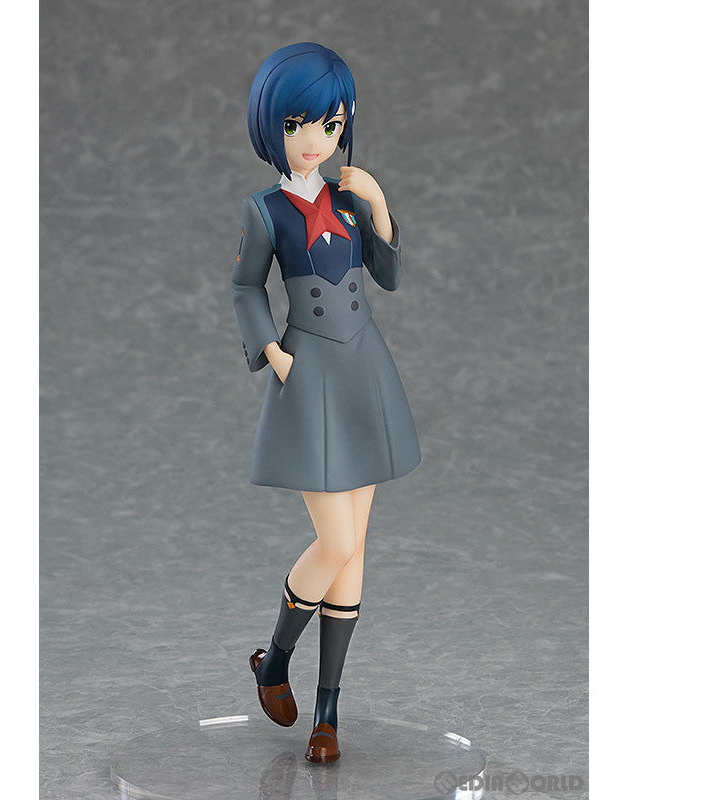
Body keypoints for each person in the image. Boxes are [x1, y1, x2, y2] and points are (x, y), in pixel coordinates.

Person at [232, 42, 421, 763]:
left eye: (330, 124)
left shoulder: (346, 198)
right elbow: (245, 286)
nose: (314, 140)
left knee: (355, 552)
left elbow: (388, 276)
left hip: (363, 369)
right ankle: (275, 661)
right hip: (309, 372)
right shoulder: (264, 210)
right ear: (272, 126)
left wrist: (378, 204)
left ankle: (328, 712)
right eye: (297, 124)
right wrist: (271, 350)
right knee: (335, 542)